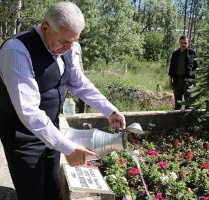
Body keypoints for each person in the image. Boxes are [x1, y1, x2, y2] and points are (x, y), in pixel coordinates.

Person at [0, 2, 125, 200]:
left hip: (52, 129)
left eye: (74, 41)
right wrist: (69, 148)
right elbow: (29, 112)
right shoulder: (16, 51)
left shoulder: (69, 48)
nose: (69, 48)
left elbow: (79, 83)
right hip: (23, 137)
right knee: (31, 193)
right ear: (45, 28)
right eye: (64, 42)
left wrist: (109, 110)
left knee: (52, 188)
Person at [168, 35, 198, 110]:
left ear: (188, 43)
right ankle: (177, 121)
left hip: (188, 81)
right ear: (179, 43)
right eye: (182, 43)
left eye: (185, 43)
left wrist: (195, 81)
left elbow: (195, 68)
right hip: (177, 81)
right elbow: (171, 68)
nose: (183, 44)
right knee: (178, 104)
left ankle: (187, 121)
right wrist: (170, 81)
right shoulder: (175, 54)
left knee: (188, 104)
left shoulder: (192, 53)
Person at [73, 42, 87, 113]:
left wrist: (82, 73)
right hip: (66, 75)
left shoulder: (77, 45)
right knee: (62, 95)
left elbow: (80, 60)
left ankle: (82, 113)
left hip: (78, 74)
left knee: (83, 95)